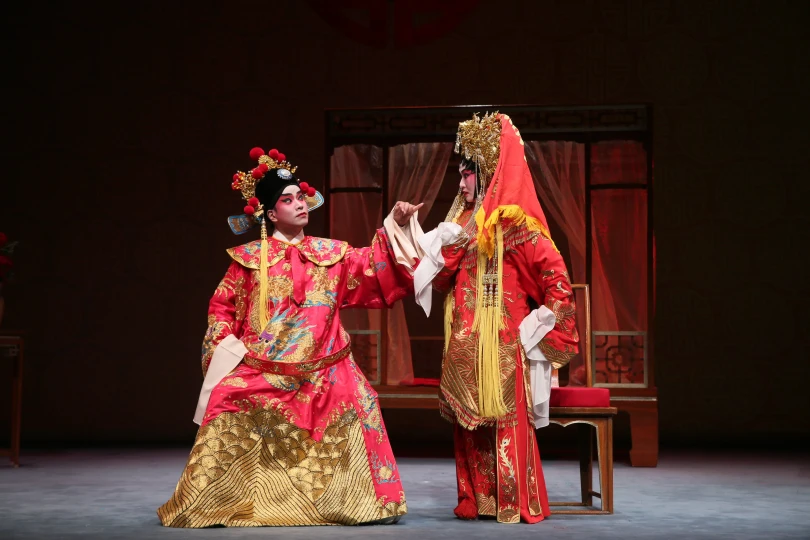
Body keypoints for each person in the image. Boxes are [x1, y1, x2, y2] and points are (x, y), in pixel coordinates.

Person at [158, 146, 423, 527]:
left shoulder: (332, 254)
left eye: (301, 197)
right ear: (270, 213)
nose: (300, 205)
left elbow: (373, 268)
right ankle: (224, 501)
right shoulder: (247, 262)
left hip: (327, 370)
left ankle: (358, 504)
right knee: (227, 396)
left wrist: (393, 224)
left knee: (360, 396)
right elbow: (221, 312)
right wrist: (225, 354)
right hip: (265, 370)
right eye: (288, 200)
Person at [413, 113, 579, 523]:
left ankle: (512, 502)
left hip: (505, 346)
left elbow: (558, 283)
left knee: (506, 423)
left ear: (488, 176)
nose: (461, 183)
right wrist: (447, 244)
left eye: (468, 174)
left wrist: (538, 329)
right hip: (464, 344)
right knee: (467, 427)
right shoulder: (462, 222)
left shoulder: (517, 227)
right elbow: (440, 282)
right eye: (461, 173)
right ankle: (477, 499)